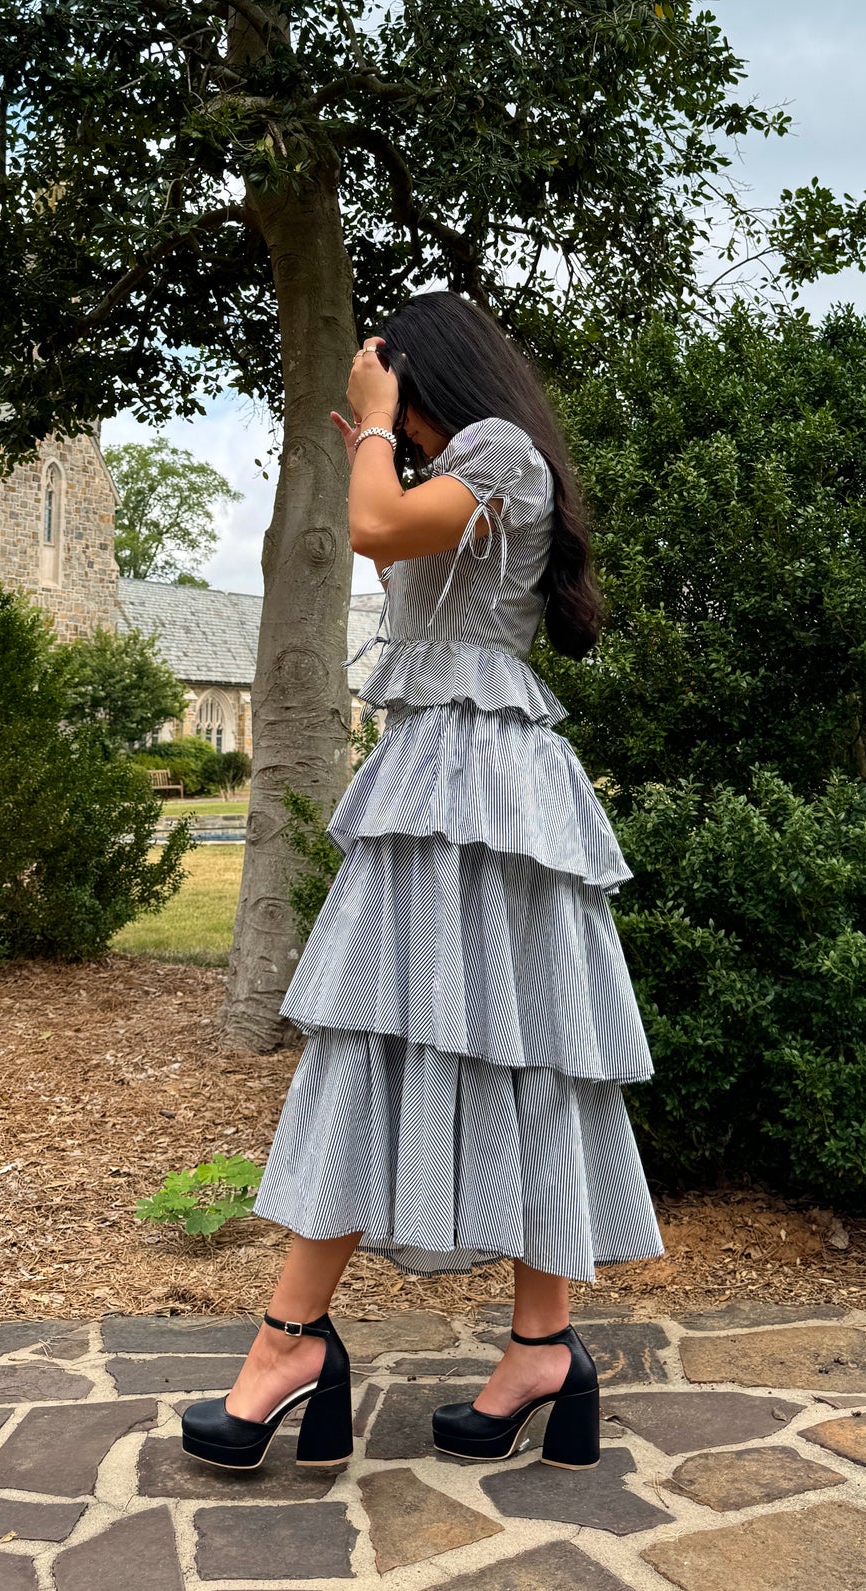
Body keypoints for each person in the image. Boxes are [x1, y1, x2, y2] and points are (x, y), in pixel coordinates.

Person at [181, 290, 662, 1476]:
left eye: (390, 370)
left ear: (425, 369)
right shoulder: (461, 462)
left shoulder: (500, 453)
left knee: (518, 1050)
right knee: (386, 1041)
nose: (375, 390)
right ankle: (488, 1348)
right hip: (438, 774)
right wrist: (381, 440)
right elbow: (392, 535)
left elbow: (375, 532)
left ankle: (312, 1342)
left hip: (480, 784)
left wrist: (374, 423)